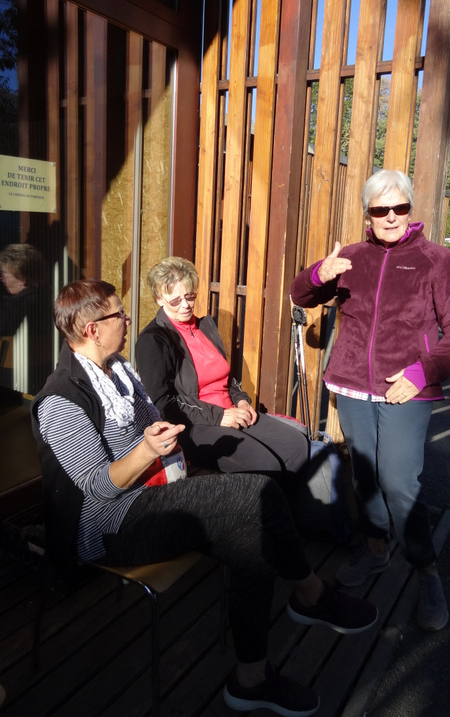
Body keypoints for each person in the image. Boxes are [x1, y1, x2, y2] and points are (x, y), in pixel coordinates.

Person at [31, 279, 378, 717]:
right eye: (119, 314)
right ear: (92, 330)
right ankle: (309, 595)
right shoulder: (60, 400)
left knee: (250, 537)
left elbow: (152, 421)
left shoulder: (117, 370)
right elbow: (98, 488)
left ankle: (251, 677)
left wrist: (163, 440)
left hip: (156, 492)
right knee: (258, 491)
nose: (128, 319)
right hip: (109, 527)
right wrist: (147, 450)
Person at [290, 169, 449, 632]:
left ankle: (426, 569)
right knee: (365, 475)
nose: (392, 216)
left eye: (400, 207)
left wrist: (422, 372)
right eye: (381, 209)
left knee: (399, 481)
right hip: (353, 385)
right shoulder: (353, 258)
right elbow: (302, 294)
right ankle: (376, 547)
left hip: (407, 388)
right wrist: (319, 273)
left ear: (410, 210)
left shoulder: (436, 260)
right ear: (368, 215)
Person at [135, 256, 313, 535]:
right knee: (265, 464)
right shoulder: (154, 340)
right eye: (175, 300)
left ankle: (288, 522)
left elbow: (226, 377)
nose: (185, 305)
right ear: (159, 299)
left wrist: (241, 399)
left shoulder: (205, 325)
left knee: (296, 445)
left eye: (190, 296)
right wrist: (220, 416)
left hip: (231, 410)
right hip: (194, 425)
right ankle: (265, 534)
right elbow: (164, 403)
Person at [0, 243, 52, 396]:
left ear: (21, 278)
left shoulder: (21, 305)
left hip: (17, 384)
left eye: (4, 275)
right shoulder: (48, 297)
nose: (2, 279)